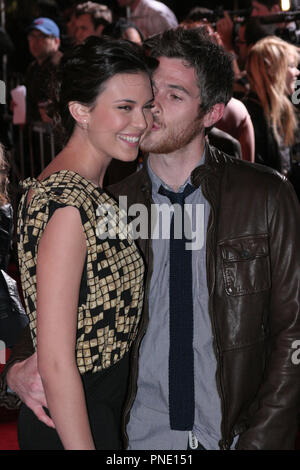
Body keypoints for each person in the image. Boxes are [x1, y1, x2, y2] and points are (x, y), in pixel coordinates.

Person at [1, 27, 300, 451]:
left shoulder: (265, 197)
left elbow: (293, 333)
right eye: (146, 94)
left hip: (232, 437)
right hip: (132, 439)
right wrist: (14, 370)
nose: (151, 110)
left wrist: (261, 441)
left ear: (212, 113)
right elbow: (61, 317)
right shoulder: (108, 205)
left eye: (173, 96)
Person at [8, 36, 156, 450]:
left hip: (95, 407)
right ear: (80, 111)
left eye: (146, 107)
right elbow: (56, 363)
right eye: (124, 108)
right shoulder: (68, 205)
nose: (141, 122)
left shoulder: (82, 190)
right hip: (74, 420)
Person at [244, 36, 300, 176]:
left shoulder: (282, 110)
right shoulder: (250, 116)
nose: (297, 72)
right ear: (271, 69)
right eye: (291, 66)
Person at [25, 17, 62, 124]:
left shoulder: (60, 65)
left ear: (56, 41)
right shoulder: (33, 67)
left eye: (42, 36)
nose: (35, 42)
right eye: (32, 36)